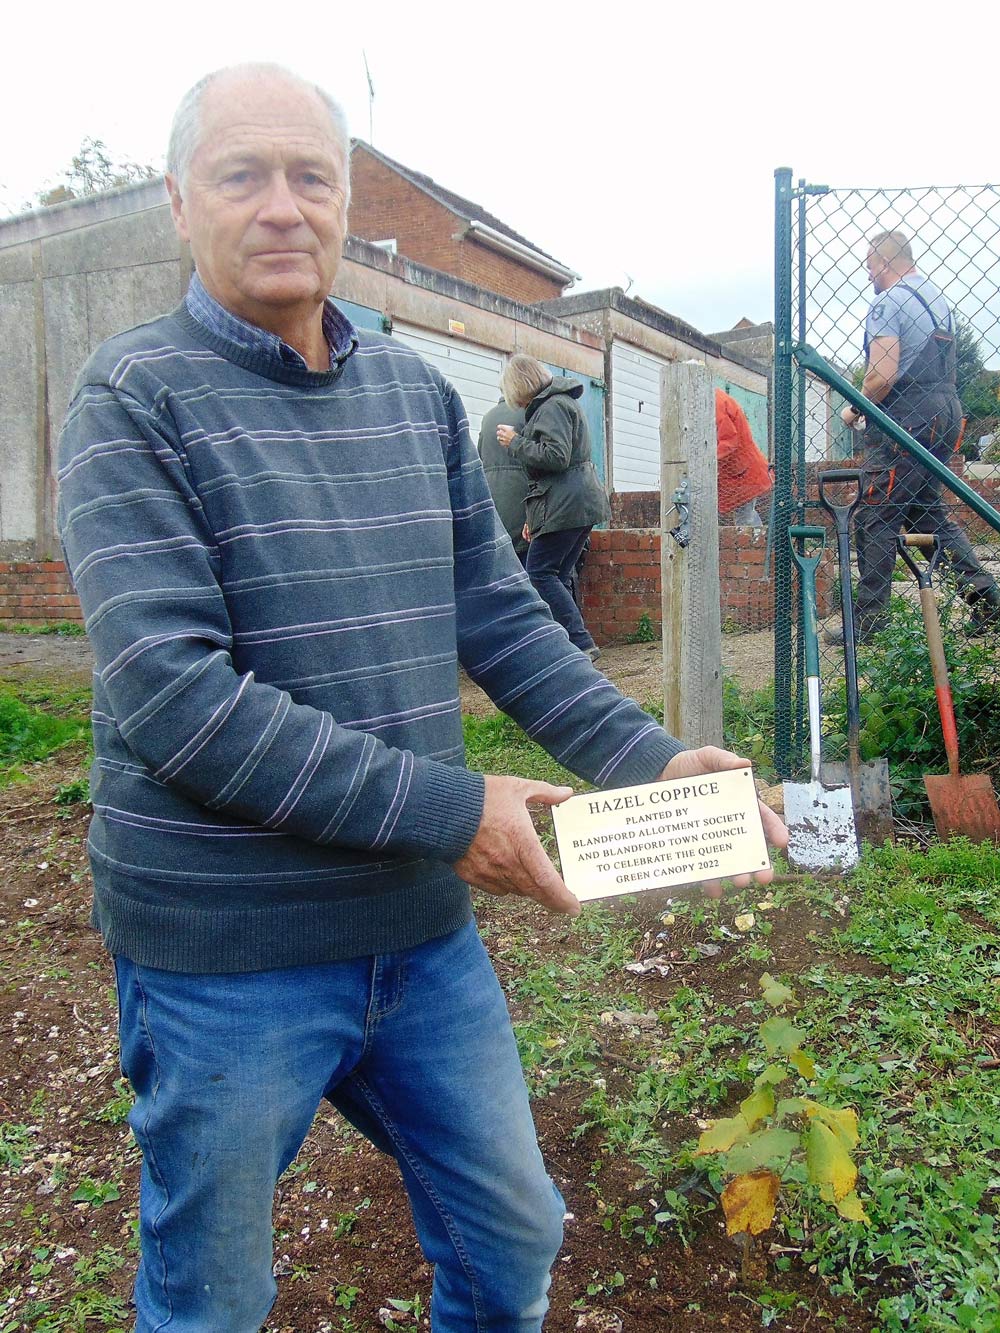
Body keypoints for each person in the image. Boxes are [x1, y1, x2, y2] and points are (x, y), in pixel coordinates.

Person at [57, 64, 787, 1333]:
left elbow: (499, 615)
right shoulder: (134, 400)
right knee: (213, 1296)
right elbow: (174, 698)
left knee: (511, 1237)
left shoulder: (409, 396)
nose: (283, 207)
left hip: (416, 931)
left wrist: (646, 760)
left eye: (312, 176)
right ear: (180, 202)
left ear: (347, 205)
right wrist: (452, 807)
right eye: (242, 176)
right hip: (229, 952)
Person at [829, 229, 1000, 644]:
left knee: (875, 513)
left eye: (870, 265)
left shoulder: (888, 302)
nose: (868, 273)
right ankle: (988, 603)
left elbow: (882, 374)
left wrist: (854, 407)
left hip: (904, 419)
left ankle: (868, 624)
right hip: (945, 414)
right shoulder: (936, 300)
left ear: (884, 262)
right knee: (926, 512)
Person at [496, 355, 609, 661]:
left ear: (520, 385)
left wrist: (516, 442)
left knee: (540, 573)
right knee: (554, 575)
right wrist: (534, 518)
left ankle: (579, 641)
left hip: (567, 504)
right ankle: (569, 644)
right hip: (573, 502)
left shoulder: (552, 406)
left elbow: (556, 457)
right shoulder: (559, 403)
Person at [477, 395, 529, 560]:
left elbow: (480, 456)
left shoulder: (488, 417)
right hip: (522, 498)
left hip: (494, 500)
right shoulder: (531, 414)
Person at [715, 387, 770, 528]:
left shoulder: (715, 402)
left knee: (746, 520)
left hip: (742, 472)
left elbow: (728, 441)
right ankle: (756, 545)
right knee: (745, 518)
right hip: (737, 471)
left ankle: (757, 546)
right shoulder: (715, 399)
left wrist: (707, 465)